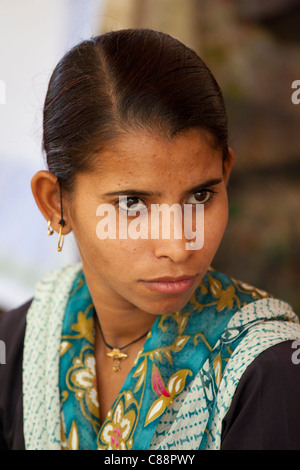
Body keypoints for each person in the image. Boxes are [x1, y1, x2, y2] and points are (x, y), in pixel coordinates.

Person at [0, 28, 300, 451]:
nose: (179, 246)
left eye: (201, 195)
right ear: (56, 204)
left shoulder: (269, 373)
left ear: (226, 173)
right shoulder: (24, 344)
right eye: (132, 204)